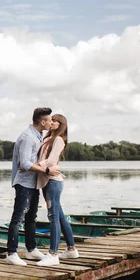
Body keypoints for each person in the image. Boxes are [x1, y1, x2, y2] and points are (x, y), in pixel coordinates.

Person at [6, 107, 61, 266]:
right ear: (43, 122)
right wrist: (46, 170)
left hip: (33, 182)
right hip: (23, 183)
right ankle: (11, 253)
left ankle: (31, 250)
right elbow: (24, 163)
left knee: (31, 217)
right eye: (50, 120)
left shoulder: (39, 136)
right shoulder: (28, 137)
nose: (51, 122)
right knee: (18, 218)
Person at [35, 114, 79, 266]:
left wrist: (34, 166)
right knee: (59, 216)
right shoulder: (47, 138)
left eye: (54, 120)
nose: (51, 122)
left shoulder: (58, 139)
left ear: (61, 125)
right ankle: (71, 249)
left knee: (53, 216)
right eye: (51, 120)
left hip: (53, 182)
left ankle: (53, 254)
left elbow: (52, 161)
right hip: (48, 180)